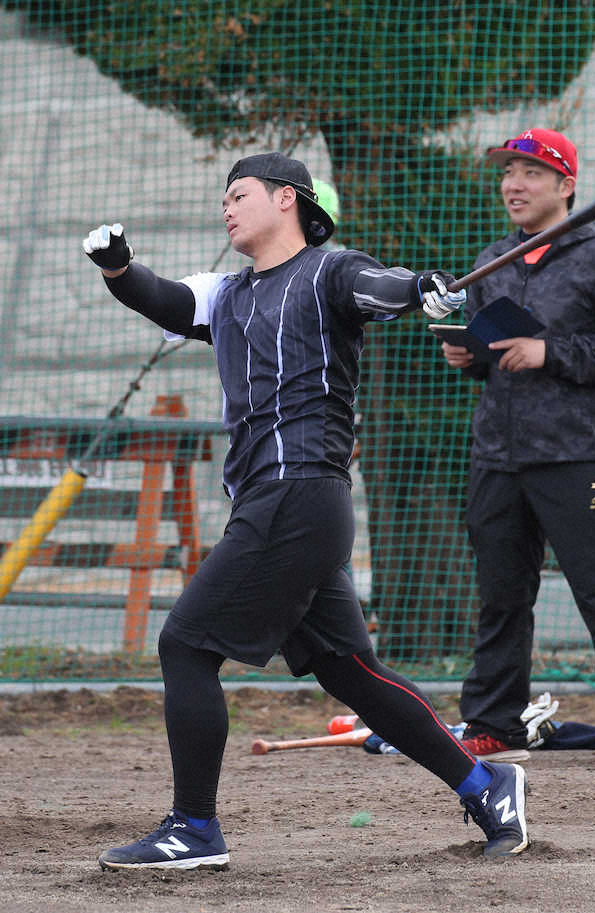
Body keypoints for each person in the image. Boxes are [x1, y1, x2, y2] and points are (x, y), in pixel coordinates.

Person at [82, 152, 529, 869]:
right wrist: (117, 267)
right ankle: (486, 785)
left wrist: (421, 288)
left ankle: (193, 827)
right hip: (279, 503)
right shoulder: (229, 295)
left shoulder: (331, 271)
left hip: (299, 494)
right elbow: (164, 298)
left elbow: (380, 289)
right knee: (351, 674)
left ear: (286, 198)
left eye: (239, 194)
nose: (226, 207)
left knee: (186, 644)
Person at [438, 128, 595, 768]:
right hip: (498, 456)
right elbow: (494, 359)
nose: (514, 184)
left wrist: (551, 352)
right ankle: (493, 721)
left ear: (566, 186)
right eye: (508, 172)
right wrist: (468, 355)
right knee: (500, 597)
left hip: (575, 456)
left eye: (531, 173)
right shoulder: (493, 261)